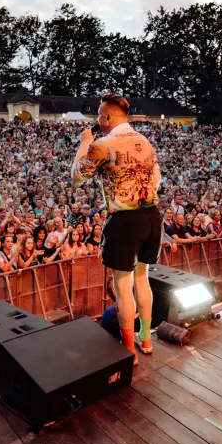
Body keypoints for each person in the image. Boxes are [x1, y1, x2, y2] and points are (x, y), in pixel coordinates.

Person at [72, 94, 161, 363]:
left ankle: (129, 350)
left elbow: (76, 175)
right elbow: (156, 179)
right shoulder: (144, 141)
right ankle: (146, 339)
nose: (98, 120)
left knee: (123, 287)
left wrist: (84, 142)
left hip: (125, 221)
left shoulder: (102, 144)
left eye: (99, 116)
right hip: (152, 216)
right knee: (143, 279)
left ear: (108, 117)